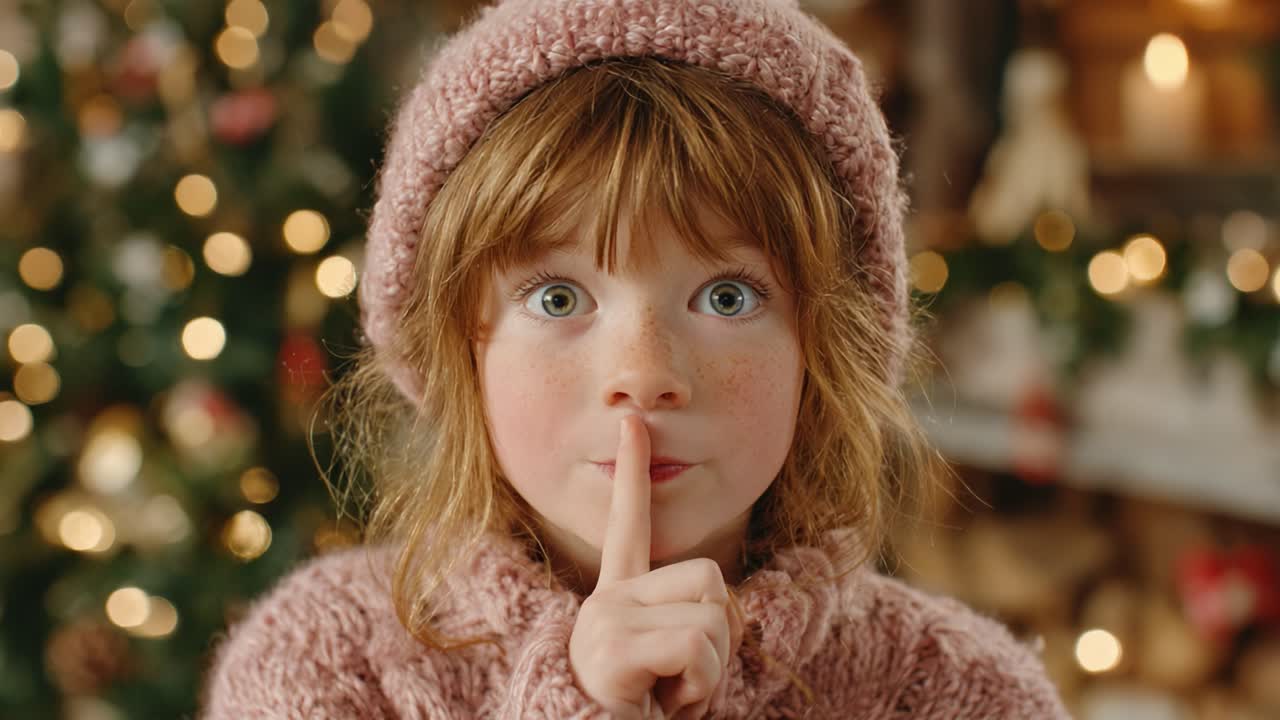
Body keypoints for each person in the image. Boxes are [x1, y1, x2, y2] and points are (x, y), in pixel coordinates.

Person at [200, 0, 1071, 717]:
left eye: (727, 296)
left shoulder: (963, 696)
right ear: (459, 345)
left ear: (825, 345)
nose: (644, 373)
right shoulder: (325, 667)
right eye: (557, 298)